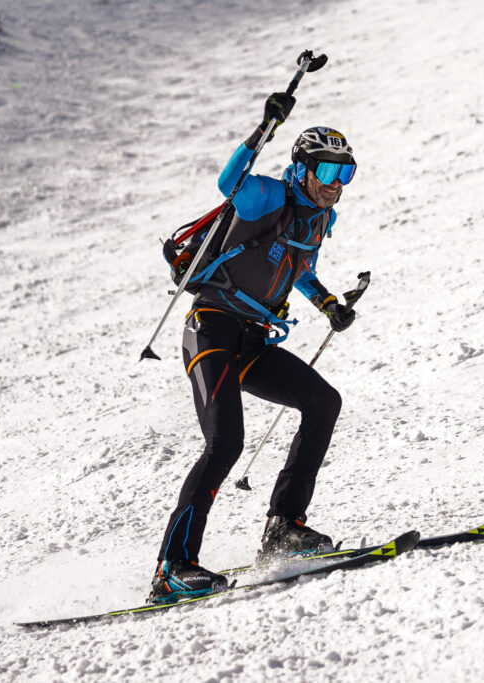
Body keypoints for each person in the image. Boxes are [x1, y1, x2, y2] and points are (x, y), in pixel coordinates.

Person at [150, 92, 359, 604]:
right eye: (328, 171)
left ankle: (284, 528)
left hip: (252, 340)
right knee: (225, 442)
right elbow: (230, 184)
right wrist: (265, 128)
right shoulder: (267, 195)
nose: (336, 184)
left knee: (323, 402)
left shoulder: (321, 219)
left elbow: (299, 268)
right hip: (211, 330)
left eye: (346, 174)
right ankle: (172, 568)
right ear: (302, 169)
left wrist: (328, 304)